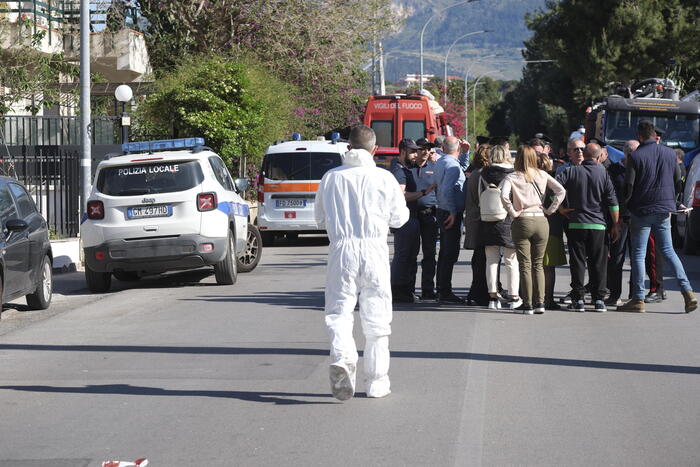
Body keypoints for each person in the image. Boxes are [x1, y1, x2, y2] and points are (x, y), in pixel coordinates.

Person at [314, 124, 409, 400]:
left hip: (342, 249)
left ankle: (344, 358)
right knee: (377, 315)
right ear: (375, 150)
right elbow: (400, 219)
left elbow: (319, 219)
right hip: (374, 249)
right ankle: (378, 380)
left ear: (347, 148)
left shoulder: (330, 178)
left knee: (338, 311)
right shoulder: (385, 178)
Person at [618, 120, 697, 313]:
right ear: (655, 135)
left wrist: (624, 207)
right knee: (668, 251)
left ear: (639, 136)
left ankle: (638, 298)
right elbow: (678, 181)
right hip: (663, 210)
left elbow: (628, 186)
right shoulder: (670, 154)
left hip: (642, 210)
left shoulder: (635, 156)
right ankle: (687, 291)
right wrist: (674, 201)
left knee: (638, 254)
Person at [500, 145, 566, 314]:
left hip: (522, 220)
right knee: (538, 264)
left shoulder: (512, 177)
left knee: (525, 264)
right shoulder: (542, 174)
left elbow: (502, 195)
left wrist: (513, 211)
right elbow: (561, 190)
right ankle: (541, 303)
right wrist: (550, 209)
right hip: (541, 220)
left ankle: (527, 303)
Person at [556, 143, 620, 312]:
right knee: (598, 263)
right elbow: (613, 204)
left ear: (584, 155)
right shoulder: (604, 174)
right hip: (598, 226)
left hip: (576, 223)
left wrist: (560, 207)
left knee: (577, 262)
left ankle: (578, 299)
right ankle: (599, 300)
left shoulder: (570, 172)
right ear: (599, 157)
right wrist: (615, 225)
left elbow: (553, 187)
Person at [474, 145, 521, 310]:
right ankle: (514, 296)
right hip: (508, 219)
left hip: (487, 219)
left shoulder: (483, 173)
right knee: (511, 260)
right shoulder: (513, 173)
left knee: (491, 260)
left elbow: (479, 196)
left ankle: (493, 297)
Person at [389, 138, 424, 303]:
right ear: (402, 152)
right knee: (403, 256)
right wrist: (423, 193)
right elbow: (401, 195)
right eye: (412, 151)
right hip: (404, 221)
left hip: (411, 218)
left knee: (410, 256)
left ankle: (407, 290)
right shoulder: (399, 170)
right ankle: (398, 291)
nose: (415, 154)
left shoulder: (406, 167)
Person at [433, 136, 466, 303]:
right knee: (449, 253)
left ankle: (442, 289)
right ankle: (445, 291)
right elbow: (446, 190)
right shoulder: (452, 165)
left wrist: (464, 154)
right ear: (457, 148)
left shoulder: (441, 161)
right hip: (449, 212)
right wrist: (453, 212)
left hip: (442, 209)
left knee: (446, 252)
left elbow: (462, 168)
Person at [606, 139, 638, 306]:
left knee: (637, 257)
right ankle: (614, 294)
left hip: (638, 218)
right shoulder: (614, 169)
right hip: (619, 219)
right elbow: (610, 196)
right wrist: (614, 221)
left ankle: (635, 295)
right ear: (627, 153)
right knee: (616, 257)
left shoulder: (641, 168)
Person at [537, 152, 566, 311]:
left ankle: (535, 297)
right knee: (549, 267)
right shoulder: (553, 180)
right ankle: (548, 299)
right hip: (552, 226)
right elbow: (561, 196)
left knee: (535, 265)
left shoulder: (529, 179)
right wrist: (551, 210)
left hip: (532, 223)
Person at [464, 144, 491, 306]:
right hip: (482, 219)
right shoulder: (483, 175)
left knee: (479, 258)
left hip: (474, 218)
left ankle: (475, 291)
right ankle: (479, 292)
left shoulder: (474, 174)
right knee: (482, 258)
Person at [413, 138, 439, 300]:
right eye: (422, 148)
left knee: (429, 254)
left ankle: (428, 289)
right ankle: (408, 288)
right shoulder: (407, 168)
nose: (425, 151)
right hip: (412, 215)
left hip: (430, 215)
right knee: (411, 254)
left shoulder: (435, 168)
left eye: (428, 149)